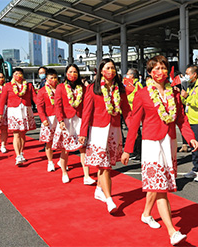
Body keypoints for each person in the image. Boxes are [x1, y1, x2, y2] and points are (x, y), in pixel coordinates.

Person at [121, 55, 198, 246]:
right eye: (156, 69)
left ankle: (146, 214)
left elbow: (181, 119)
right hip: (151, 144)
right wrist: (127, 149)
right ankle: (172, 231)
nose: (160, 72)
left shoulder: (175, 93)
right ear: (149, 73)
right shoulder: (143, 94)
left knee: (157, 183)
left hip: (169, 143)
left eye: (163, 68)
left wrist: (190, 137)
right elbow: (134, 124)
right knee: (161, 188)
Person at [79, 58, 131, 214]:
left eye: (113, 68)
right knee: (105, 165)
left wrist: (133, 128)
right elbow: (86, 112)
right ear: (101, 71)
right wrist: (83, 133)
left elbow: (127, 111)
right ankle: (109, 200)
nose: (111, 70)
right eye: (107, 68)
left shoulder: (120, 90)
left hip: (114, 130)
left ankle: (99, 189)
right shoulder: (92, 89)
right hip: (98, 130)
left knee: (106, 164)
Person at [52, 64, 95, 185]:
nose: (73, 74)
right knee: (65, 149)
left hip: (80, 120)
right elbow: (58, 105)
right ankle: (64, 173)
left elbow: (87, 105)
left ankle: (86, 176)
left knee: (83, 148)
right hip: (66, 121)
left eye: (75, 71)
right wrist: (60, 120)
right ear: (66, 73)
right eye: (70, 71)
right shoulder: (61, 87)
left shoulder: (83, 87)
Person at [0, 68, 37, 165]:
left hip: (25, 110)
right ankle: (18, 155)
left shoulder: (28, 85)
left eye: (20, 73)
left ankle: (21, 152)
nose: (18, 75)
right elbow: (2, 100)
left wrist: (42, 108)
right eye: (16, 73)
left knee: (23, 134)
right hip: (14, 110)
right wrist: (0, 113)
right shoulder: (7, 86)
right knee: (16, 133)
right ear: (13, 75)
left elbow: (35, 98)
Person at [37, 69, 60, 172]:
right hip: (49, 118)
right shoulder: (42, 91)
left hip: (60, 118)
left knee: (62, 140)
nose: (53, 80)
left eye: (55, 77)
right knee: (49, 141)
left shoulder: (61, 88)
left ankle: (62, 161)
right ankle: (50, 161)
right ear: (47, 79)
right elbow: (40, 106)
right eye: (51, 78)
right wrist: (43, 119)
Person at [123, 68, 143, 160]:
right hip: (129, 112)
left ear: (132, 75)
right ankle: (133, 151)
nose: (126, 76)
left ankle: (138, 153)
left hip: (135, 111)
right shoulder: (127, 84)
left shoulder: (137, 84)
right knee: (131, 132)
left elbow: (140, 96)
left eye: (128, 74)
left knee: (137, 132)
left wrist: (128, 97)